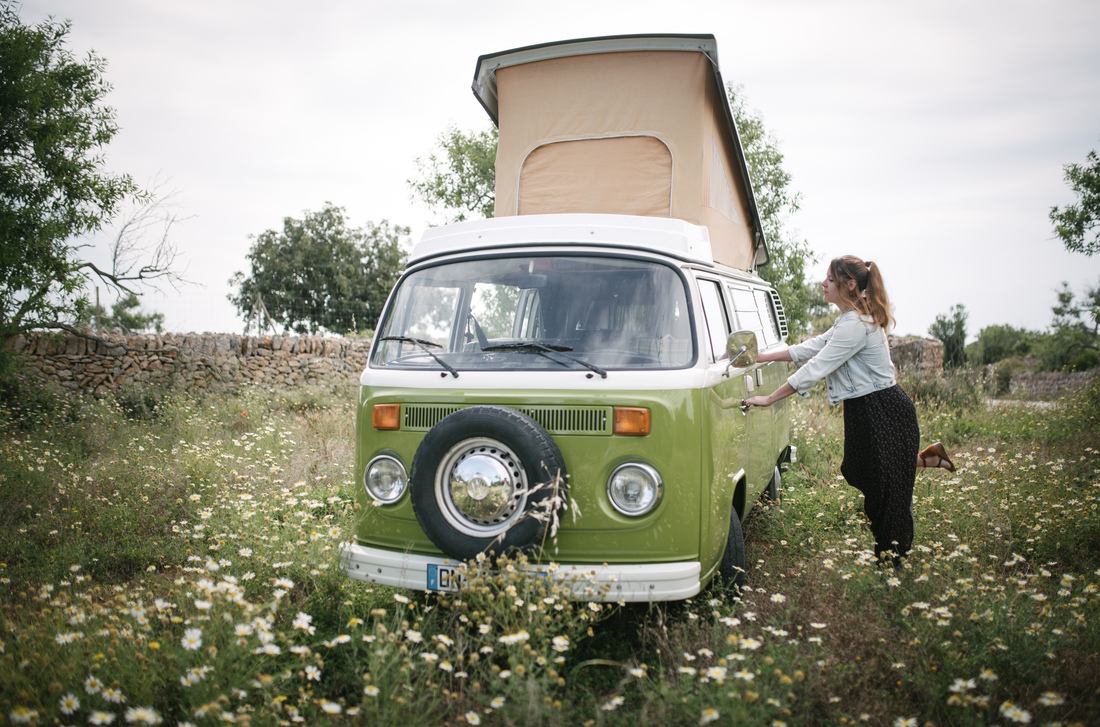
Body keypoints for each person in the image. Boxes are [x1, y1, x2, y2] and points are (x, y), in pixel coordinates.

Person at [743, 255, 954, 567]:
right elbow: (807, 349)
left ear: (850, 284)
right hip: (865, 410)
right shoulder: (847, 321)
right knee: (861, 470)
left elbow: (817, 367)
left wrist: (769, 398)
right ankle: (924, 460)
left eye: (830, 279)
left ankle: (892, 559)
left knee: (887, 490)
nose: (823, 284)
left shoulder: (856, 325)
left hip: (885, 409)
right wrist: (757, 357)